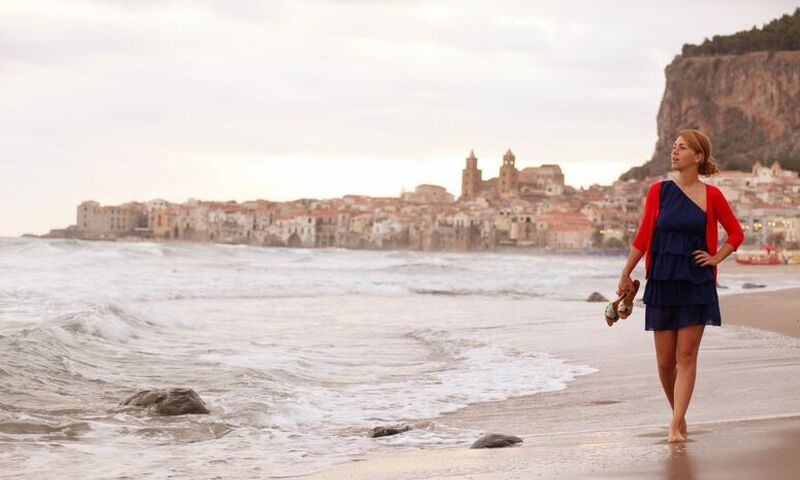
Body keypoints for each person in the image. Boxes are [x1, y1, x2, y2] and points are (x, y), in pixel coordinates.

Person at [617, 129, 744, 443]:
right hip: (661, 279)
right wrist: (625, 272)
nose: (674, 152)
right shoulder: (658, 191)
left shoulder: (712, 195)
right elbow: (645, 235)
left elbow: (736, 234)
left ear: (698, 157)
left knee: (686, 358)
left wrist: (716, 258)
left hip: (696, 282)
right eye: (673, 147)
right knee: (664, 362)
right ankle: (680, 415)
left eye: (682, 148)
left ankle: (674, 425)